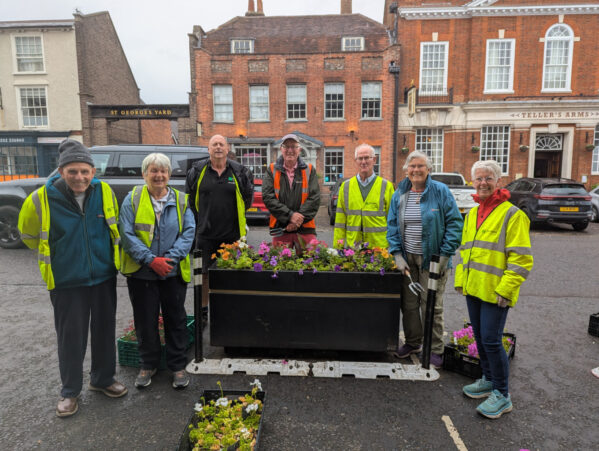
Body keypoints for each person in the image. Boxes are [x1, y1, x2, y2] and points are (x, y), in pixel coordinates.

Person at [18, 139, 126, 417]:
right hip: (66, 280)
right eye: (73, 171)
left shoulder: (104, 192)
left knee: (104, 331)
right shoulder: (41, 198)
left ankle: (102, 380)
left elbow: (113, 227)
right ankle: (70, 392)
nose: (79, 177)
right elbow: (28, 235)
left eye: (84, 171)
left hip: (102, 275)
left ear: (93, 172)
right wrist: (63, 255)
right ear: (61, 171)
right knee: (71, 338)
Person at [455, 160, 533, 419]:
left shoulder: (512, 214)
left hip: (496, 292)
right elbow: (465, 251)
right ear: (472, 181)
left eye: (488, 178)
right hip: (474, 288)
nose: (483, 183)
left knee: (491, 340)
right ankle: (488, 379)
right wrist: (460, 280)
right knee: (480, 337)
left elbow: (521, 259)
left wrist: (506, 289)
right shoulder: (472, 214)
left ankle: (502, 394)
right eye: (478, 178)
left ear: (498, 181)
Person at [120, 153, 195, 389]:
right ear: (144, 174)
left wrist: (169, 260)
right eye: (153, 171)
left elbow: (189, 232)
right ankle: (148, 364)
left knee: (176, 320)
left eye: (163, 171)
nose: (159, 175)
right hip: (142, 273)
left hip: (171, 273)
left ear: (169, 175)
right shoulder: (132, 199)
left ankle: (177, 366)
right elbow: (126, 234)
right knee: (146, 321)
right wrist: (151, 260)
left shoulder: (182, 200)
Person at [387, 150, 463, 369]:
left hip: (433, 259)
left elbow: (455, 224)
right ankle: (413, 343)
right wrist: (397, 254)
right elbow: (392, 225)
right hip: (408, 259)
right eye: (412, 166)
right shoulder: (400, 193)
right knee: (409, 305)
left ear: (428, 169)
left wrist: (444, 255)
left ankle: (435, 348)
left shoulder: (440, 191)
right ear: (407, 170)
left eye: (420, 166)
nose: (416, 170)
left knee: (431, 305)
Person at [185, 135, 254, 318]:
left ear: (227, 149)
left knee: (232, 273)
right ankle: (203, 312)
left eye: (221, 144)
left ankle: (229, 312)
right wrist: (201, 221)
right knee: (203, 275)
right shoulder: (197, 171)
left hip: (232, 235)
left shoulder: (239, 172)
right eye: (214, 144)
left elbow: (247, 199)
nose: (217, 147)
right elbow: (191, 200)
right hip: (205, 234)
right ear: (208, 149)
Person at [262, 134, 320, 252]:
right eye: (286, 146)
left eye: (293, 146)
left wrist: (297, 221)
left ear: (299, 149)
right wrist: (290, 216)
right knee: (279, 267)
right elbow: (268, 197)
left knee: (309, 266)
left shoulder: (309, 170)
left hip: (305, 227)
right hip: (281, 227)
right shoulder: (272, 169)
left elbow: (314, 198)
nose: (290, 150)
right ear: (281, 149)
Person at [333, 143, 394, 248]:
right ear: (355, 161)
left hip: (379, 250)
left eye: (367, 158)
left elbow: (393, 221)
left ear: (374, 160)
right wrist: (338, 248)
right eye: (360, 158)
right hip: (353, 249)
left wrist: (393, 248)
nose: (363, 162)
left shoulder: (386, 186)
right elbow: (340, 222)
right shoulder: (345, 187)